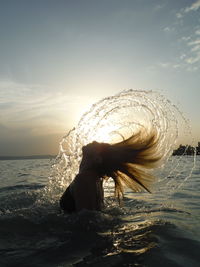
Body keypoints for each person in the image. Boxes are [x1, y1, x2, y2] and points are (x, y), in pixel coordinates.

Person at [60, 130, 161, 213]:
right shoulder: (95, 180)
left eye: (99, 146)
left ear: (97, 159)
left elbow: (86, 224)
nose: (95, 141)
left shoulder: (84, 179)